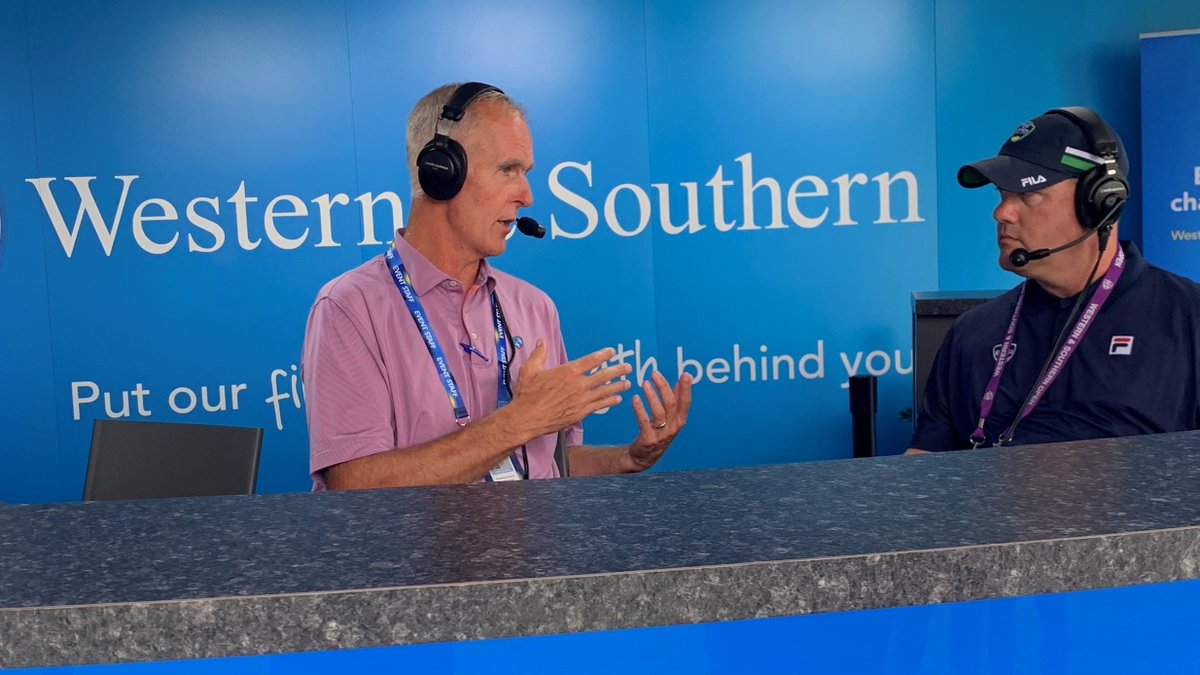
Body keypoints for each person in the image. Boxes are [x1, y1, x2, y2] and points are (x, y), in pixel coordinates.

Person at [302, 82, 692, 489]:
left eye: (526, 173)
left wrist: (628, 458)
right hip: (413, 554)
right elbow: (354, 485)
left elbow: (553, 463)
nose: (527, 196)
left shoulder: (534, 306)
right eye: (508, 170)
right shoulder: (348, 308)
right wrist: (517, 422)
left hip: (534, 551)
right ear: (440, 172)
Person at [910, 106, 1200, 452]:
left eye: (1028, 194)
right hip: (993, 506)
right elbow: (924, 463)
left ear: (1100, 201)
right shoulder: (971, 334)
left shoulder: (1187, 318)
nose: (1001, 212)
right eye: (1002, 195)